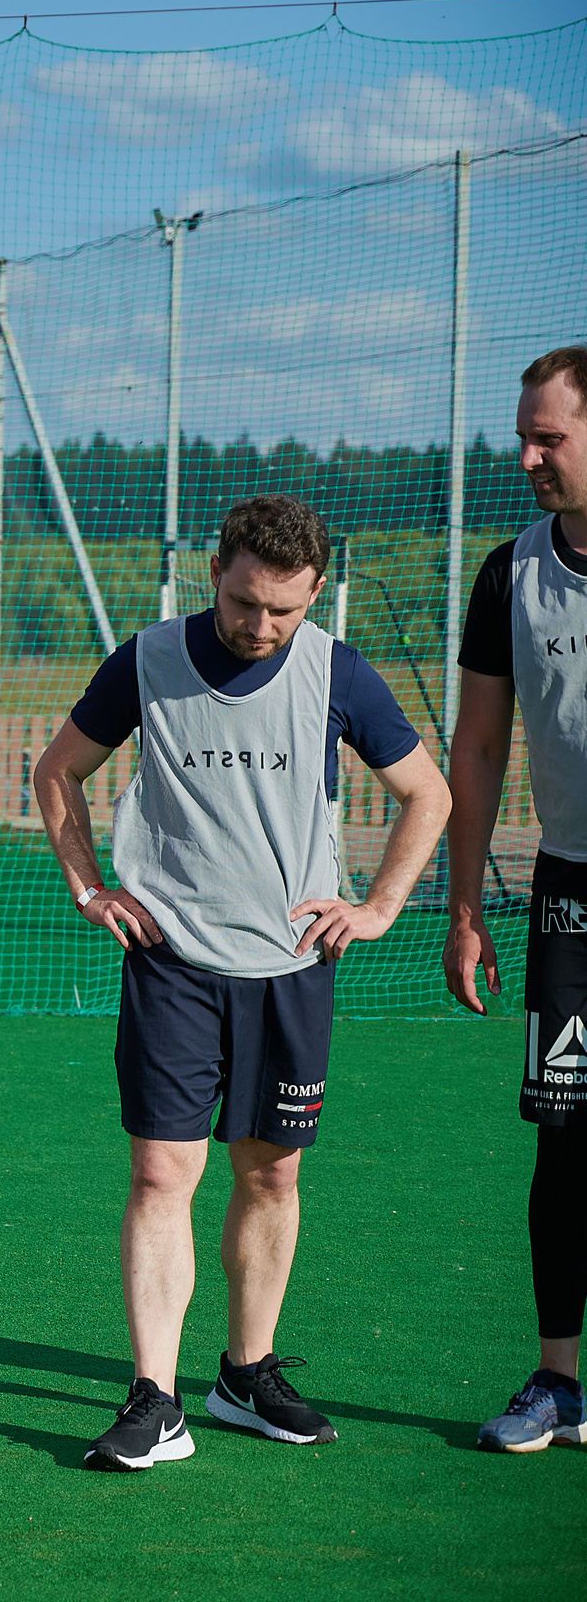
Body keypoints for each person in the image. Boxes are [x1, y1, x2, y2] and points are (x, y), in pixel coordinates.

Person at [34, 492, 449, 1471]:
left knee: (270, 1174)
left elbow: (424, 792)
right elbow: (59, 772)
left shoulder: (336, 671)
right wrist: (89, 887)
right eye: (244, 602)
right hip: (172, 960)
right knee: (159, 1174)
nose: (261, 627)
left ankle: (245, 1375)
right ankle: (152, 1398)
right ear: (215, 570)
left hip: (289, 969)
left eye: (285, 611)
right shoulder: (147, 658)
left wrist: (380, 905)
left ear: (313, 596)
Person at [444, 343, 587, 1455]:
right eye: (523, 434)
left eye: (549, 437)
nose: (527, 456)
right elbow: (481, 745)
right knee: (565, 1142)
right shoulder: (511, 572)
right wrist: (462, 908)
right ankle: (555, 1382)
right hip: (568, 896)